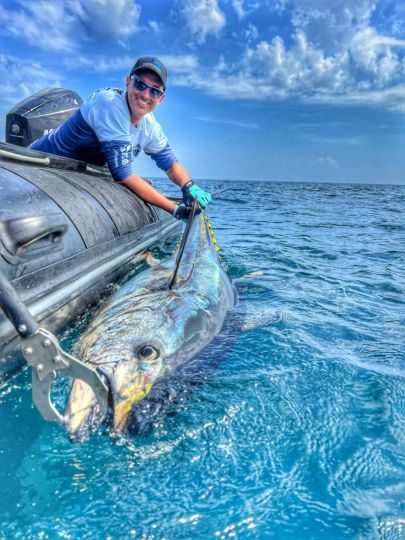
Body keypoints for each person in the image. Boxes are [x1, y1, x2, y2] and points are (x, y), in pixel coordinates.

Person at [30, 56, 211, 220]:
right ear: (127, 82)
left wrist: (188, 186)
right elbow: (123, 175)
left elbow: (171, 165)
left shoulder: (151, 126)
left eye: (154, 91)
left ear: (161, 98)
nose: (145, 95)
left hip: (79, 174)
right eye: (140, 84)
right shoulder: (109, 104)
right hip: (39, 165)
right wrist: (175, 210)